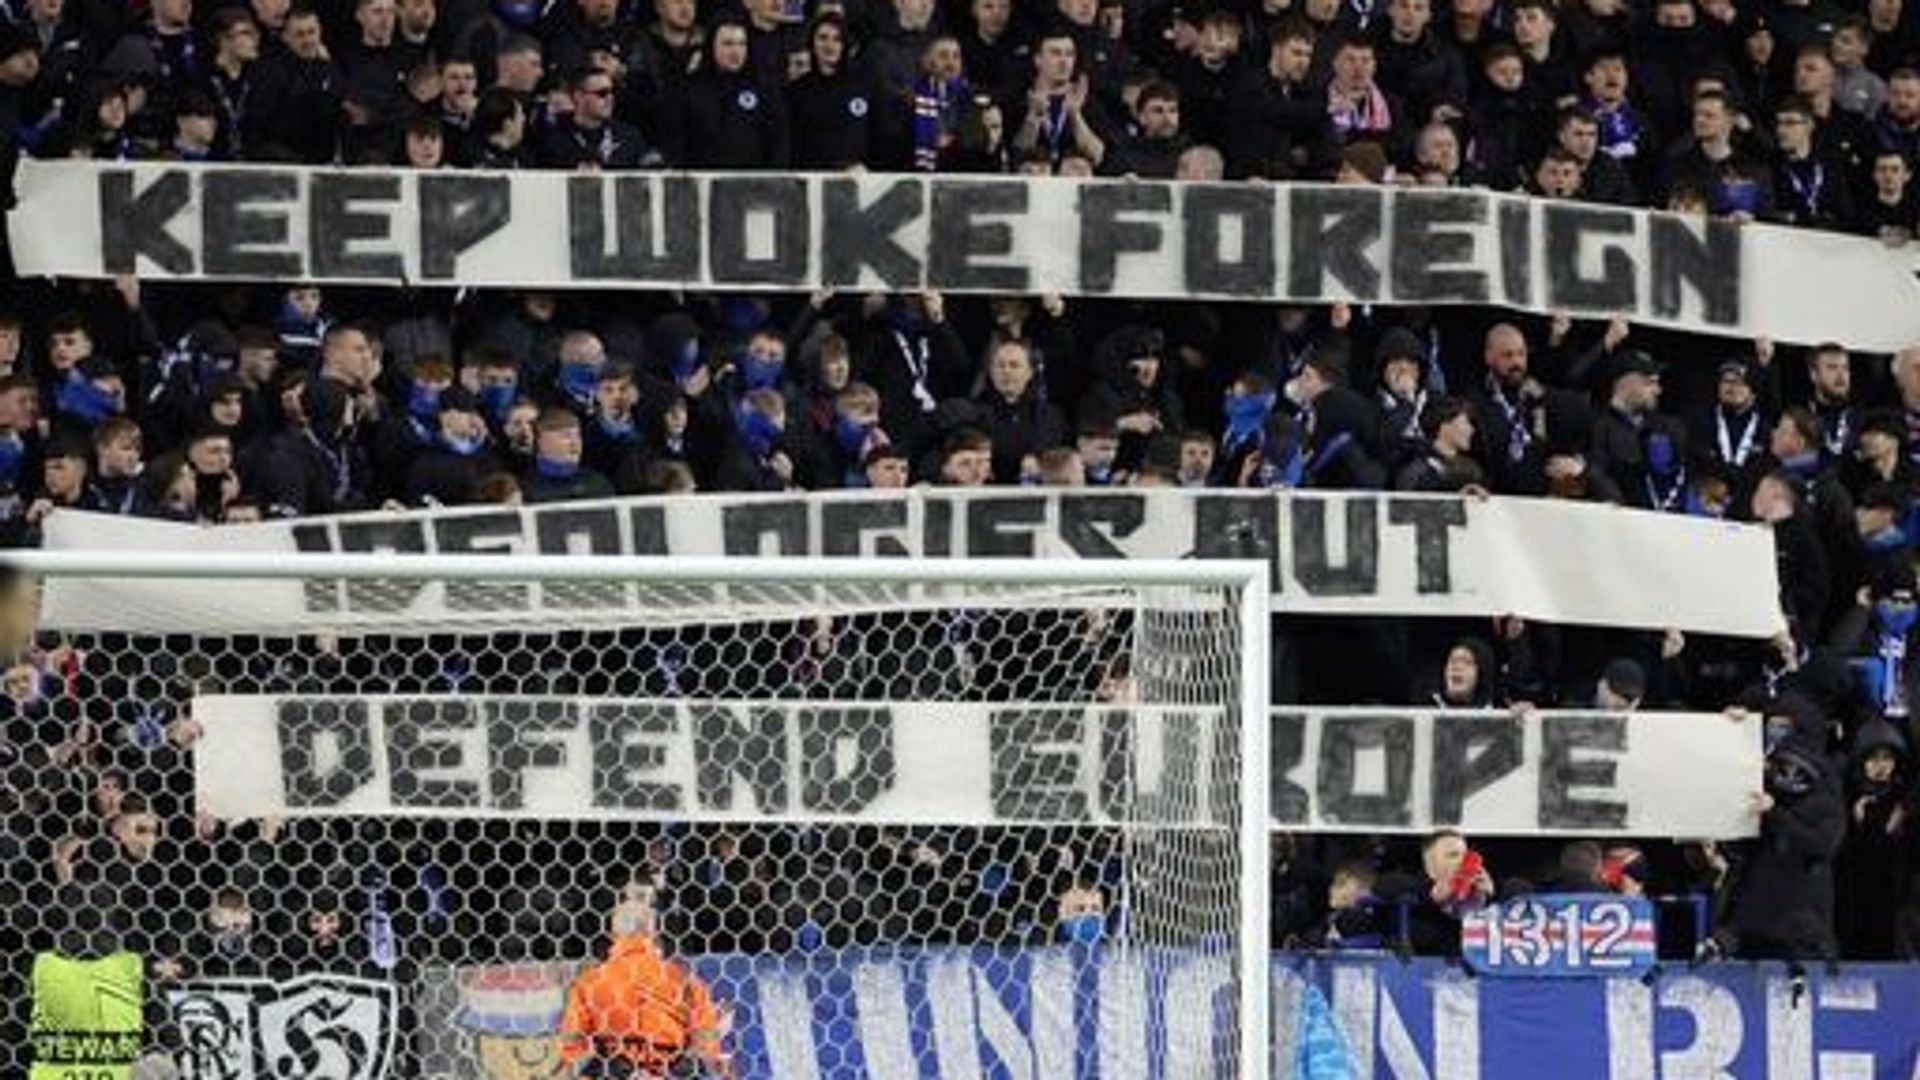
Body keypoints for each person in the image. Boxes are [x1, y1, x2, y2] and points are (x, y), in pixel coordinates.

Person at [560, 885, 729, 1079]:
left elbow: (572, 1047)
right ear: (654, 934)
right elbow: (707, 1047)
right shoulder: (685, 981)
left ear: (612, 936)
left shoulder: (589, 983)